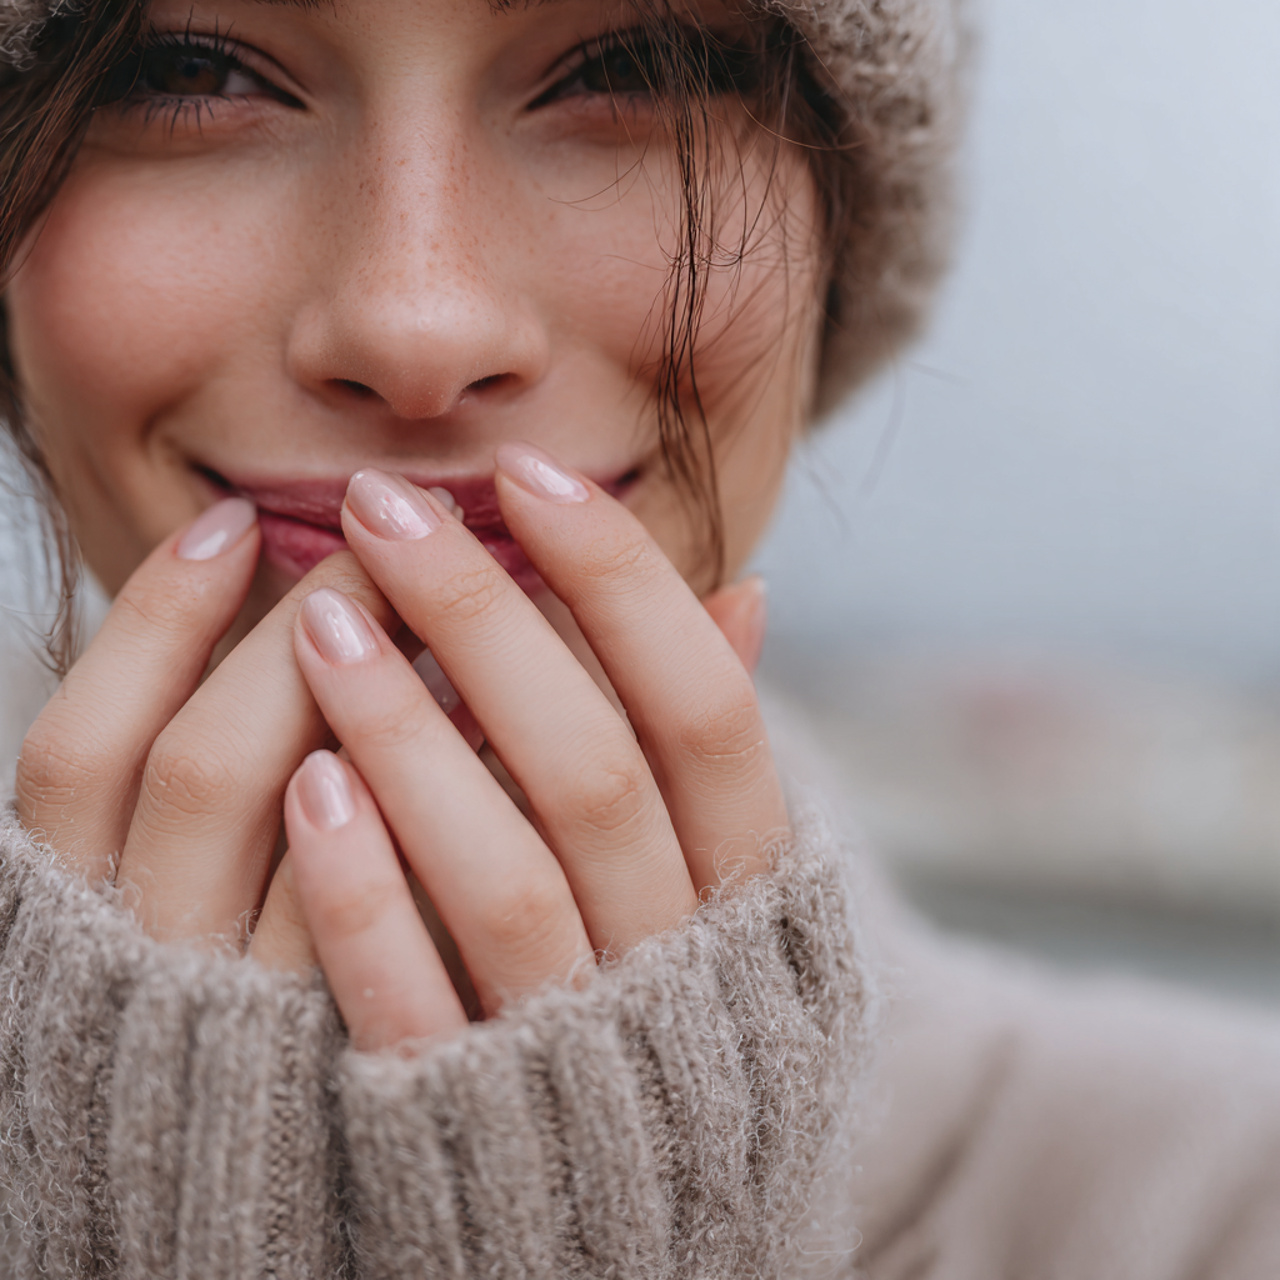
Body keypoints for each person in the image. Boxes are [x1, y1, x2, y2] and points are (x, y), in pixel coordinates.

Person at [1, 1, 1279, 1277]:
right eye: (187, 71)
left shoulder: (1222, 1203)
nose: (416, 327)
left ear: (842, 234)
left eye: (628, 66)